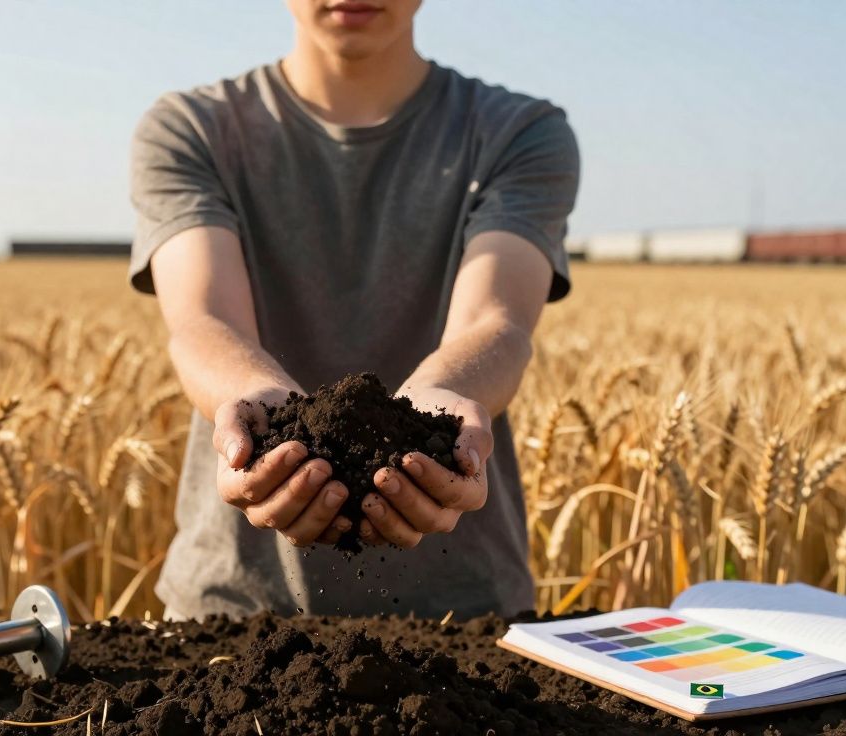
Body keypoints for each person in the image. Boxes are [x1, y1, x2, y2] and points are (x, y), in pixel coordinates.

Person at [128, 0, 579, 620]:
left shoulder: (517, 132)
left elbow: (495, 320)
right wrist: (259, 407)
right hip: (228, 616)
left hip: (465, 621)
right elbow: (204, 320)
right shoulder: (192, 128)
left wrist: (441, 400)